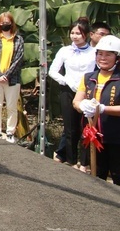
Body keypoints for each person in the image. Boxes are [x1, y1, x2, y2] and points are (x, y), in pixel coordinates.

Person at [73, 34, 120, 183]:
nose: (103, 58)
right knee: (97, 178)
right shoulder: (88, 77)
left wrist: (103, 109)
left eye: (108, 54)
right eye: (100, 54)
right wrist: (81, 105)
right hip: (93, 137)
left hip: (116, 137)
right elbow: (76, 101)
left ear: (117, 57)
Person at [49, 20, 95, 166]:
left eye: (79, 33)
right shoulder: (65, 51)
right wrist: (66, 81)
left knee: (86, 128)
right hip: (68, 91)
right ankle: (71, 161)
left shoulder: (94, 52)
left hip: (88, 92)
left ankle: (85, 163)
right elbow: (52, 71)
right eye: (72, 33)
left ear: (86, 35)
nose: (75, 36)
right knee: (70, 128)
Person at [0, 12, 25, 143]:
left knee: (11, 107)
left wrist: (7, 75)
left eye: (7, 22)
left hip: (12, 79)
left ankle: (10, 133)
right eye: (2, 22)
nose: (5, 24)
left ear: (12, 23)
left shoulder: (18, 40)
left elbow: (18, 60)